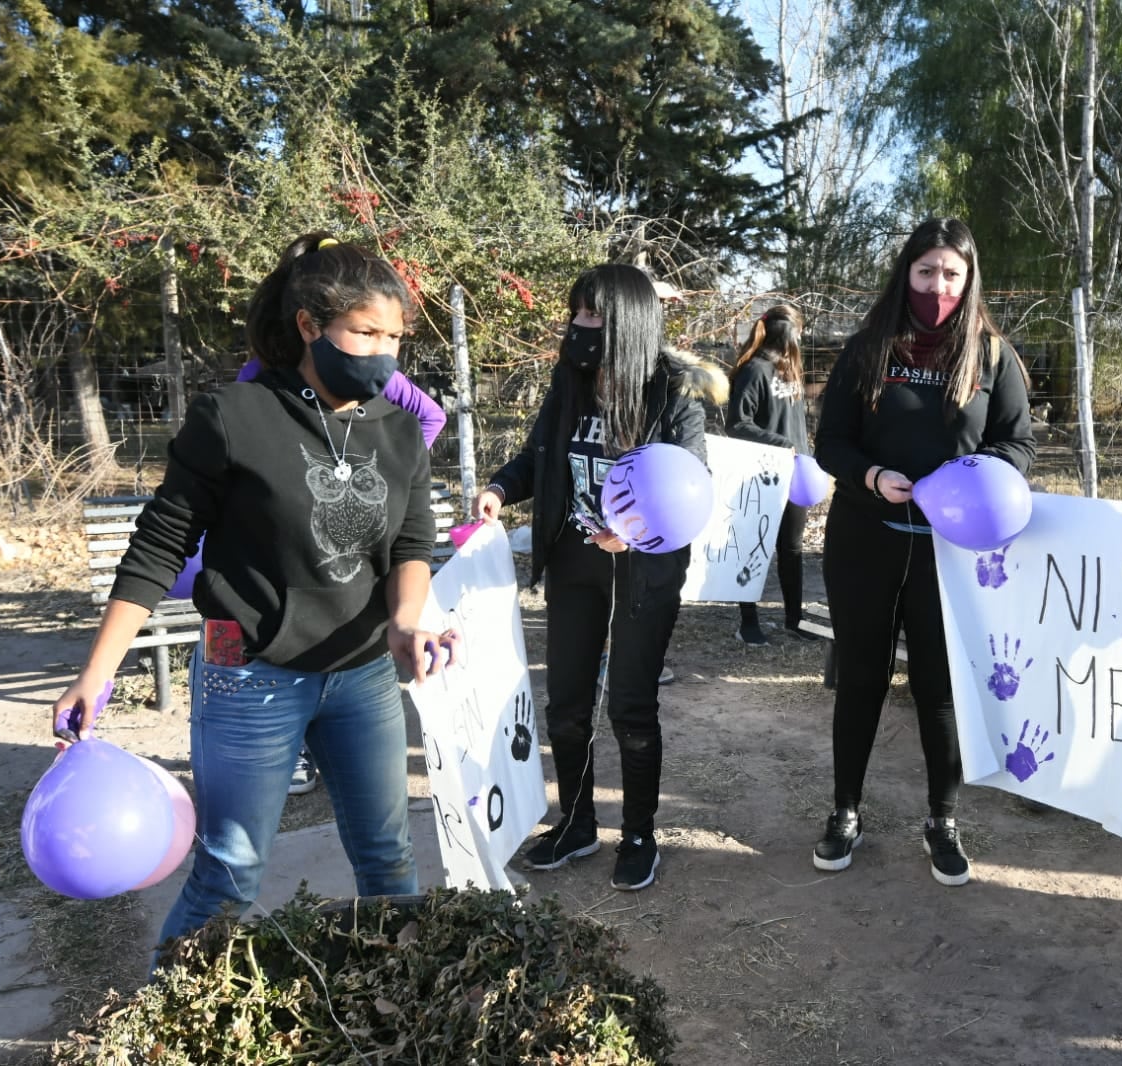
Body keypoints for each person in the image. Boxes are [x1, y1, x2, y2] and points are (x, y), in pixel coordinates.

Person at [51, 233, 449, 953]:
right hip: (248, 678)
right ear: (308, 325)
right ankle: (161, 1026)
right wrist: (95, 673)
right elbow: (157, 547)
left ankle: (398, 1013)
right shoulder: (233, 417)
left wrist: (405, 622)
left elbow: (413, 545)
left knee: (390, 862)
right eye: (364, 333)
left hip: (361, 677)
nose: (383, 353)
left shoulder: (398, 433)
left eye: (394, 337)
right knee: (231, 870)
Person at [472, 264, 725, 892]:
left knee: (631, 708)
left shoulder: (675, 390)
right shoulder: (571, 380)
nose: (578, 327)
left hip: (646, 570)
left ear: (626, 324)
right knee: (566, 707)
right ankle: (577, 820)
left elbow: (690, 485)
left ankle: (639, 833)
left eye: (591, 316)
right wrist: (500, 489)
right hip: (576, 564)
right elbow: (538, 455)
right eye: (576, 314)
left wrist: (636, 530)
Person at [810, 218, 1036, 888]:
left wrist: (965, 482)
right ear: (904, 273)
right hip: (863, 542)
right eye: (926, 272)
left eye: (951, 274)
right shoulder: (867, 349)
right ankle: (844, 810)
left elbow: (1017, 446)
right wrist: (872, 478)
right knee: (860, 680)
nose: (938, 286)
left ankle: (942, 818)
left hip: (952, 554)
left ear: (969, 281)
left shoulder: (992, 356)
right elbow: (831, 444)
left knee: (939, 691)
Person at [237, 358, 448, 795]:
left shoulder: (370, 369)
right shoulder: (253, 380)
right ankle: (295, 747)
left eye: (389, 336)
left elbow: (431, 416)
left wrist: (395, 478)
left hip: (357, 585)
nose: (382, 345)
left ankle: (325, 747)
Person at [726, 303, 817, 645]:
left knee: (791, 549)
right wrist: (780, 443)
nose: (803, 336)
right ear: (789, 332)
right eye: (800, 329)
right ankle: (748, 623)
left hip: (795, 474)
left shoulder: (790, 370)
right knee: (753, 547)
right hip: (760, 475)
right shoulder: (754, 370)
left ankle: (795, 620)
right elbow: (737, 423)